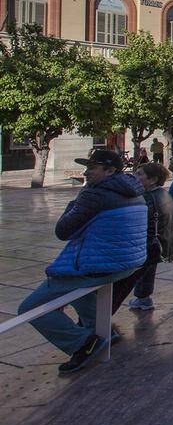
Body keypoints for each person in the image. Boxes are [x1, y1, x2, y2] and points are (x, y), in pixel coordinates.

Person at [16, 149, 148, 375]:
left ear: (110, 171)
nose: (86, 173)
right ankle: (104, 332)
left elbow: (63, 231)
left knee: (30, 307)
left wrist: (75, 203)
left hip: (101, 267)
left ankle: (83, 344)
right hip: (129, 263)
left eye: (92, 168)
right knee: (82, 291)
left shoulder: (94, 195)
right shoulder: (136, 192)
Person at [124, 162, 173, 311]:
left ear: (153, 179)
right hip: (162, 242)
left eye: (139, 174)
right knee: (146, 270)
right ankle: (143, 298)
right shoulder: (163, 193)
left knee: (132, 275)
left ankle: (107, 310)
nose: (135, 177)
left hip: (151, 244)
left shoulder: (148, 197)